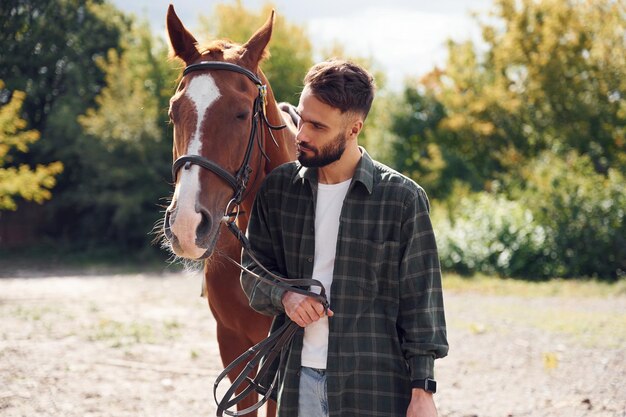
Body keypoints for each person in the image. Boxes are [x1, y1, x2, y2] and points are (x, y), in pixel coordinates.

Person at [240, 59, 448, 417]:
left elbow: (421, 304)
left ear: (354, 128)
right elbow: (252, 272)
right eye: (302, 118)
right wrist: (285, 296)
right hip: (297, 377)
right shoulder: (278, 191)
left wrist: (423, 390)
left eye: (318, 126)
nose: (302, 134)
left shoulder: (402, 199)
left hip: (375, 383)